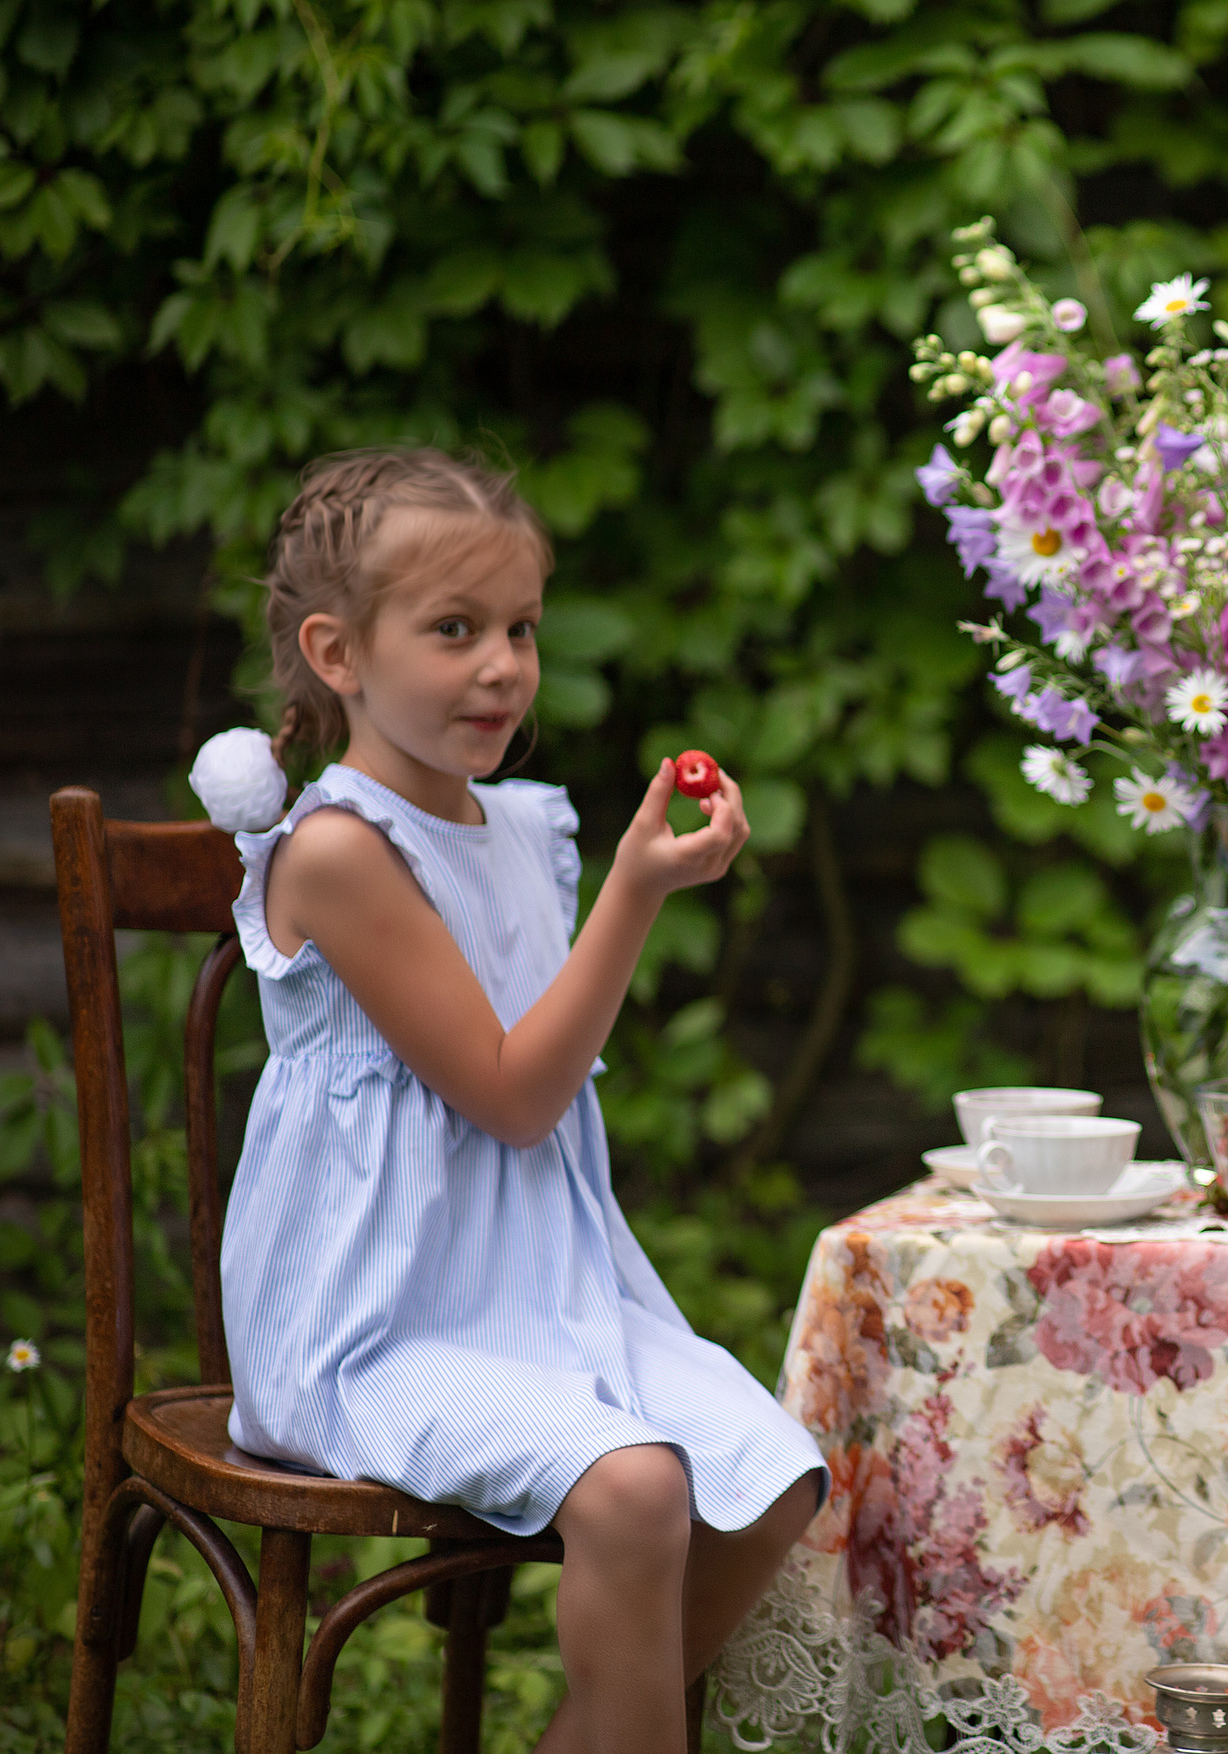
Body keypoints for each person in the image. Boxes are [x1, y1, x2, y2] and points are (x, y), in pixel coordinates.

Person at [216, 449, 823, 1754]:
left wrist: (616, 883)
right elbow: (509, 1096)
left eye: (520, 629)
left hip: (539, 1292)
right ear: (338, 651)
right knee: (637, 1489)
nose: (503, 665)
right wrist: (636, 894)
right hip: (373, 1317)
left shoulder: (515, 831)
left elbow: (531, 1079)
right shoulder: (338, 851)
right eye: (456, 630)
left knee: (774, 1479)